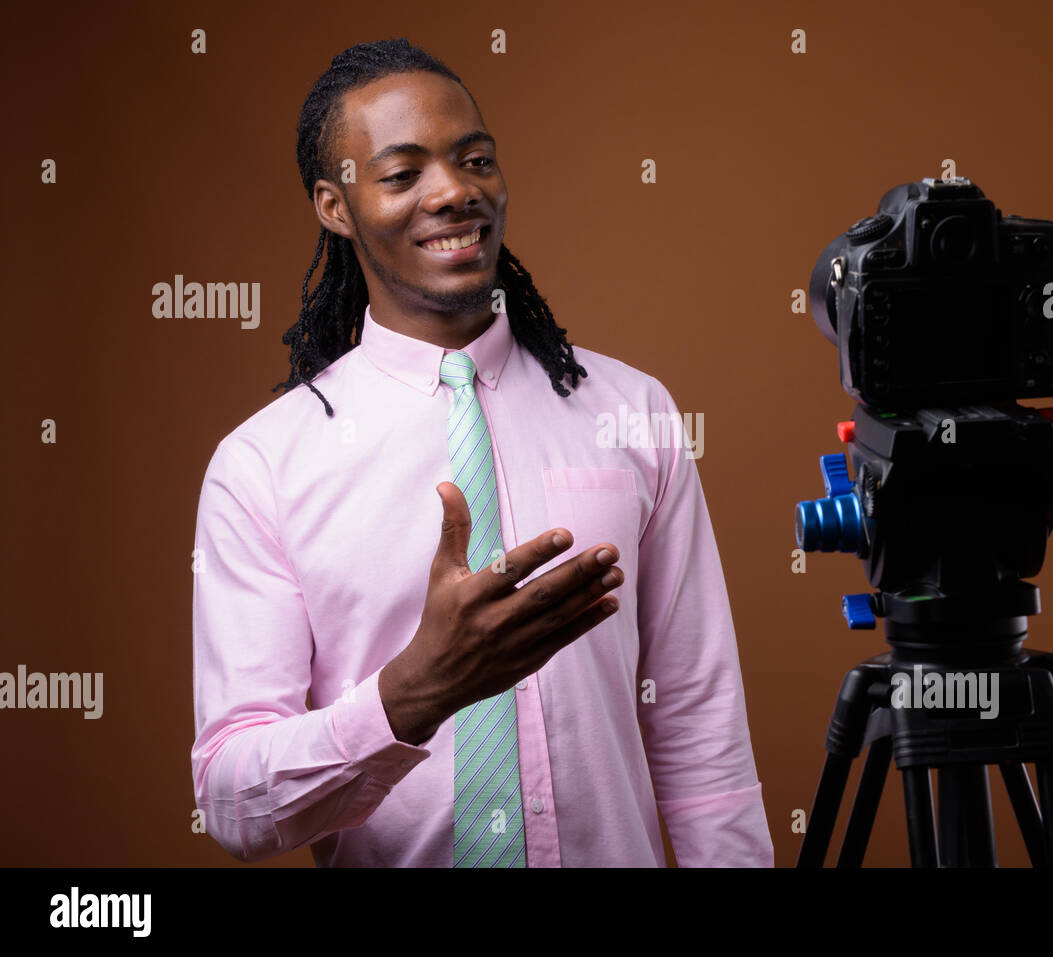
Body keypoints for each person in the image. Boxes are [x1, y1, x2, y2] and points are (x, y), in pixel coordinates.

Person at [190, 37, 773, 867]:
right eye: (401, 175)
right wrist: (413, 691)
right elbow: (230, 797)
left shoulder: (632, 411)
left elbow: (699, 721)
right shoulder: (262, 466)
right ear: (335, 205)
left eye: (476, 159)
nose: (455, 192)